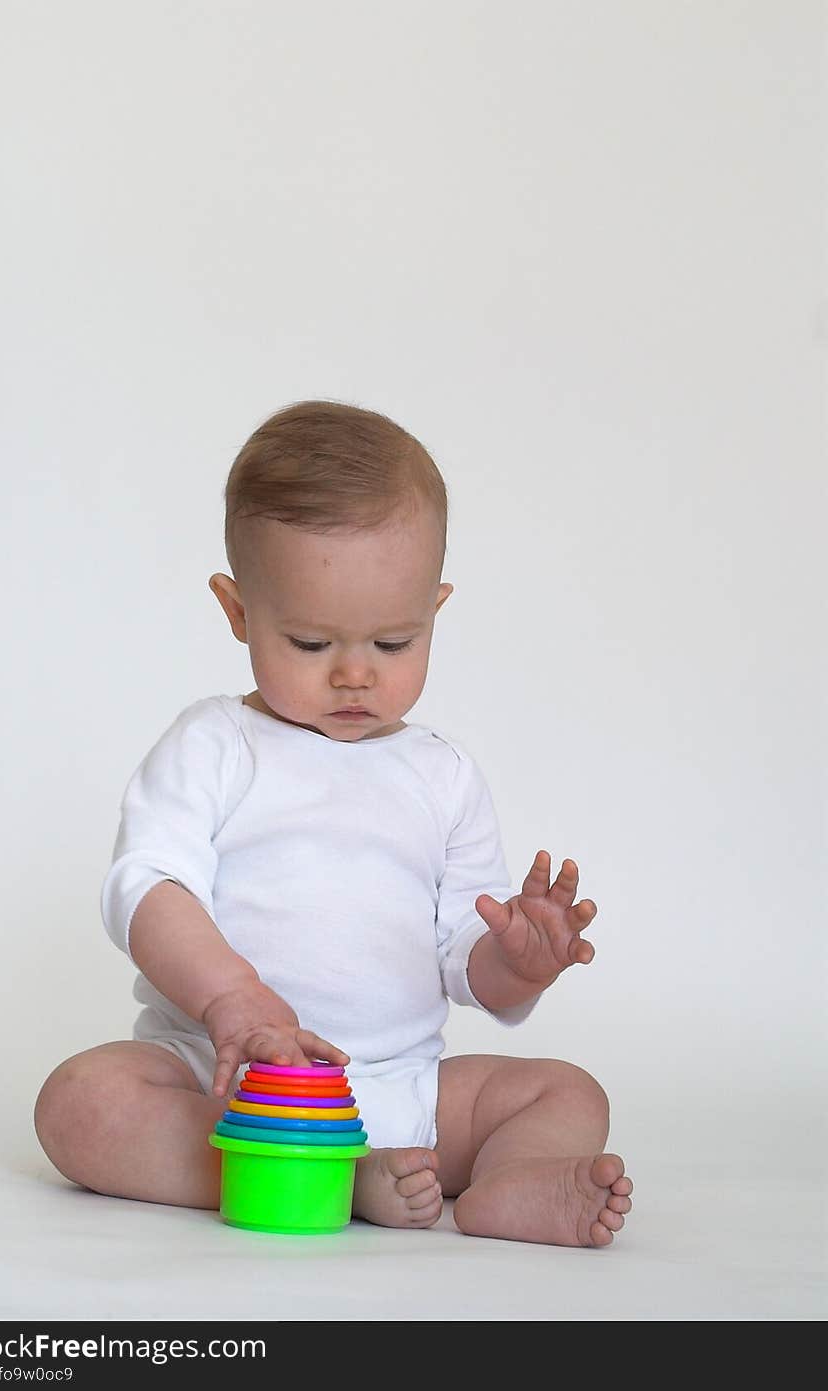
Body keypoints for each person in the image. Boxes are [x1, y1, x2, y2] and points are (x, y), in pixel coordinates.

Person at [34, 400, 633, 1246]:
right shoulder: (217, 743)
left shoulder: (443, 775)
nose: (355, 674)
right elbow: (146, 884)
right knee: (80, 1101)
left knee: (568, 1092)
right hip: (229, 1085)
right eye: (311, 643)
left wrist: (516, 961)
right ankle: (329, 1175)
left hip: (400, 1094)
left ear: (437, 606)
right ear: (238, 611)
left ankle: (511, 1183)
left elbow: (466, 962)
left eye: (394, 642)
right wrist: (231, 998)